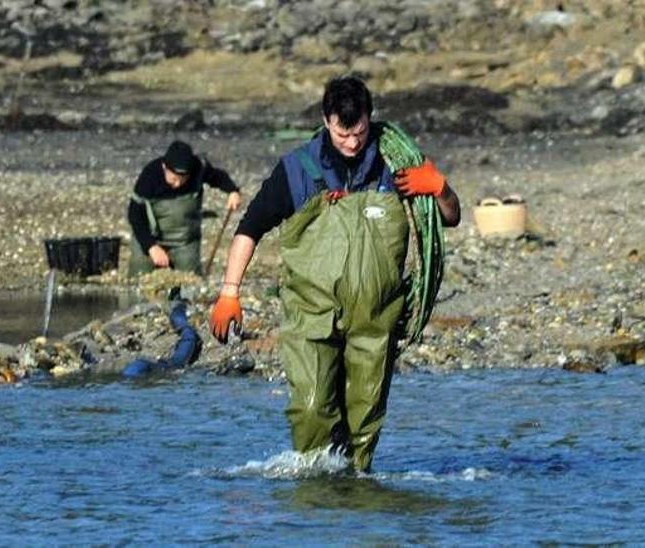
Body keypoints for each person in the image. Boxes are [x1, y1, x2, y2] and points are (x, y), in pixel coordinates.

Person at [208, 76, 460, 473]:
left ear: (369, 120)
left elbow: (449, 219)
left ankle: (355, 497)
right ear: (326, 121)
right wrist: (229, 293)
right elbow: (249, 229)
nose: (353, 142)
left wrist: (439, 186)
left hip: (375, 321)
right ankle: (314, 501)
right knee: (311, 409)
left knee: (364, 424)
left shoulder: (395, 167)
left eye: (360, 131)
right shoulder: (297, 170)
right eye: (343, 133)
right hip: (311, 314)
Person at [127, 141, 242, 276]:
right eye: (173, 178)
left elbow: (217, 177)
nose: (178, 184)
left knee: (189, 283)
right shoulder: (149, 175)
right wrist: (151, 247)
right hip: (150, 237)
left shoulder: (199, 168)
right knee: (139, 279)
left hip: (185, 242)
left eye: (183, 179)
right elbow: (135, 215)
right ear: (164, 167)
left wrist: (232, 191)